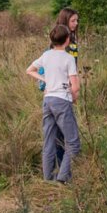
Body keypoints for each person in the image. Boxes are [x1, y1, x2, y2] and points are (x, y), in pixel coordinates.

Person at [27, 24, 81, 182]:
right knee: (73, 143)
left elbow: (29, 70)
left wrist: (46, 80)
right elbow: (75, 86)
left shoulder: (46, 56)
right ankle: (63, 178)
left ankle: (48, 178)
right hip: (62, 100)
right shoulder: (69, 58)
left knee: (49, 141)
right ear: (67, 40)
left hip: (47, 99)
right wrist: (74, 98)